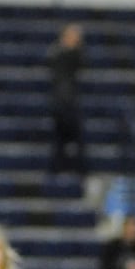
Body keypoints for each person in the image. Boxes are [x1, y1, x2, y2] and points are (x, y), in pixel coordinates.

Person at [46, 22, 86, 176]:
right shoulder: (58, 52)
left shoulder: (75, 54)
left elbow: (81, 61)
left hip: (70, 102)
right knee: (59, 141)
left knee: (77, 141)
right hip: (60, 103)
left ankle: (78, 172)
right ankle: (57, 172)